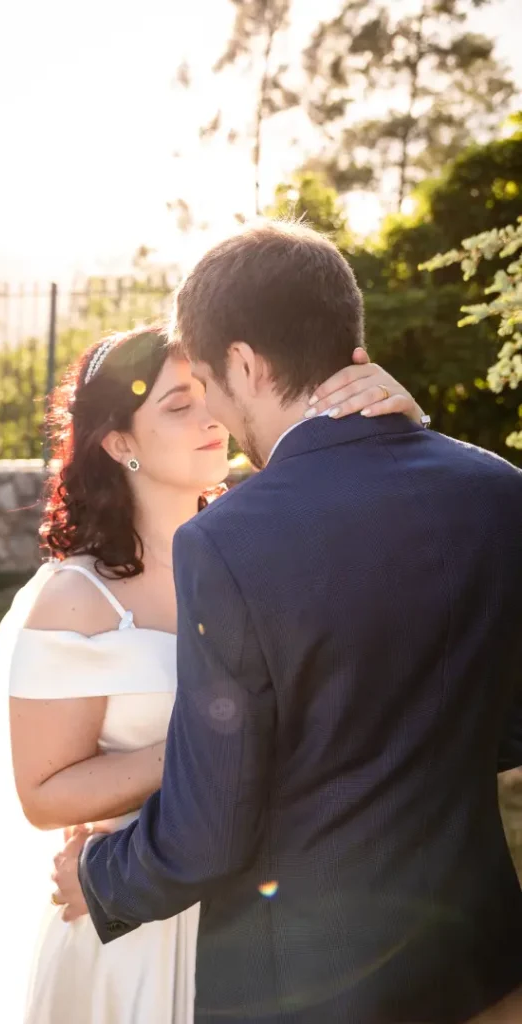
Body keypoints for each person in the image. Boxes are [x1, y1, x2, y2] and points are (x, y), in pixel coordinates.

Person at [52, 223, 522, 1024]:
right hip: (479, 957)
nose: (221, 418)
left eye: (206, 381)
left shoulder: (228, 541)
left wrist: (100, 874)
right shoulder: (496, 487)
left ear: (242, 363)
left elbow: (211, 826)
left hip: (310, 983)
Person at [0, 318, 427, 1024]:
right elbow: (41, 796)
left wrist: (402, 421)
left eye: (205, 393)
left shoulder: (263, 540)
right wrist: (207, 743)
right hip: (134, 911)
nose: (209, 418)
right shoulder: (75, 600)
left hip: (268, 902)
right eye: (176, 405)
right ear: (120, 442)